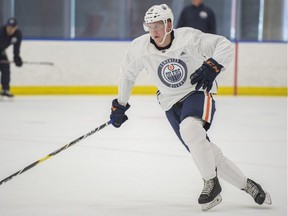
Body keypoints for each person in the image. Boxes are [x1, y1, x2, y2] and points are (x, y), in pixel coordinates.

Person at [109, 4, 272, 211]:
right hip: (169, 103)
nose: (154, 31)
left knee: (190, 129)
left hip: (197, 92)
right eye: (150, 26)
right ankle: (248, 185)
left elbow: (224, 45)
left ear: (169, 24)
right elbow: (127, 74)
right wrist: (120, 105)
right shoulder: (139, 48)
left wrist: (212, 66)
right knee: (205, 152)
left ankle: (210, 184)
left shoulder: (189, 38)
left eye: (158, 25)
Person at [0, 17, 23, 97]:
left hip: (1, 51)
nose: (9, 29)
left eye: (12, 27)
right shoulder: (1, 31)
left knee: (6, 67)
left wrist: (16, 58)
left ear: (16, 28)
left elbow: (16, 47)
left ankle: (5, 89)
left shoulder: (18, 34)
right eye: (8, 27)